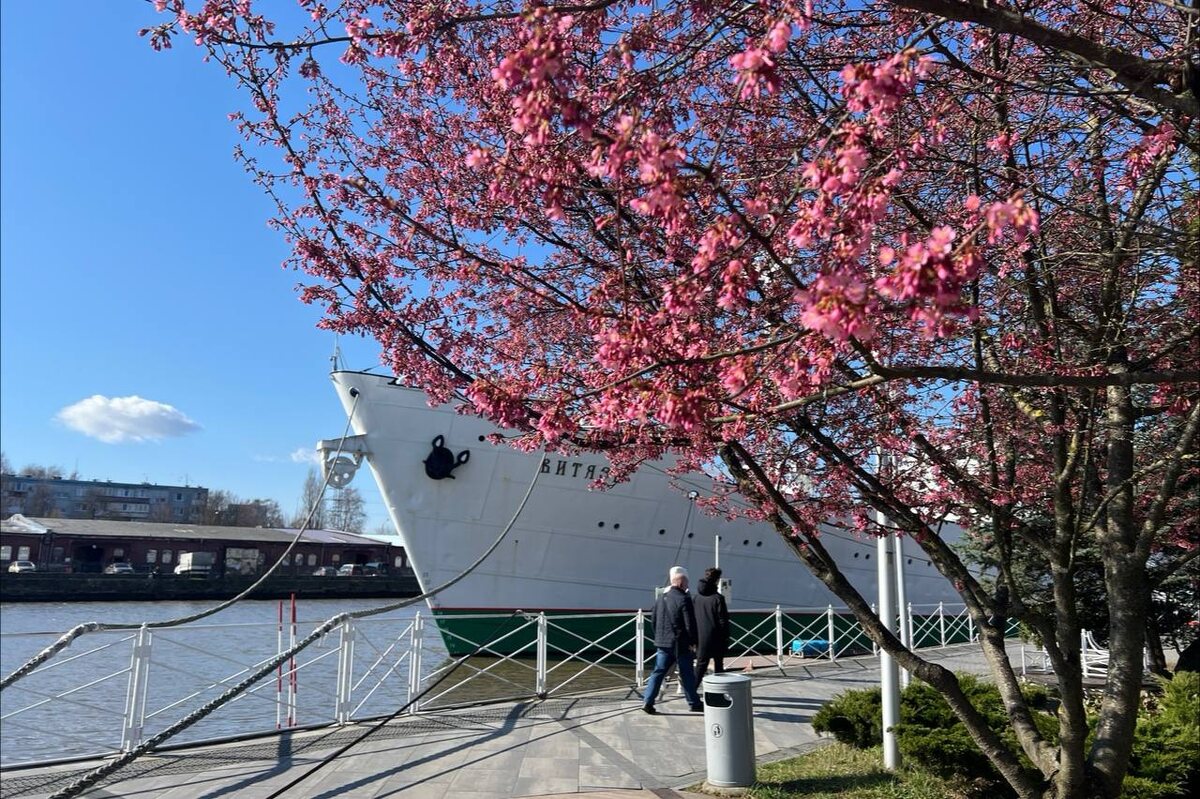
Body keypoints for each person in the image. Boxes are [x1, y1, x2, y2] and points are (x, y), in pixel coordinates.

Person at [643, 566, 703, 714]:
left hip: (662, 643)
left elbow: (654, 621)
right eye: (687, 583)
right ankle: (694, 702)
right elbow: (690, 624)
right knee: (687, 673)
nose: (688, 586)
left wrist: (659, 637)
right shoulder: (684, 599)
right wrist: (694, 642)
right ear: (682, 583)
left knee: (658, 672)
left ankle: (648, 701)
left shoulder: (660, 599)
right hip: (680, 644)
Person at [693, 566, 729, 684]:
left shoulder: (696, 598)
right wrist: (726, 635)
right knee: (719, 665)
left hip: (700, 636)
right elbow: (722, 620)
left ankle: (692, 691)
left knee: (701, 665)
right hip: (716, 637)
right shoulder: (718, 598)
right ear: (717, 580)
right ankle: (719, 689)